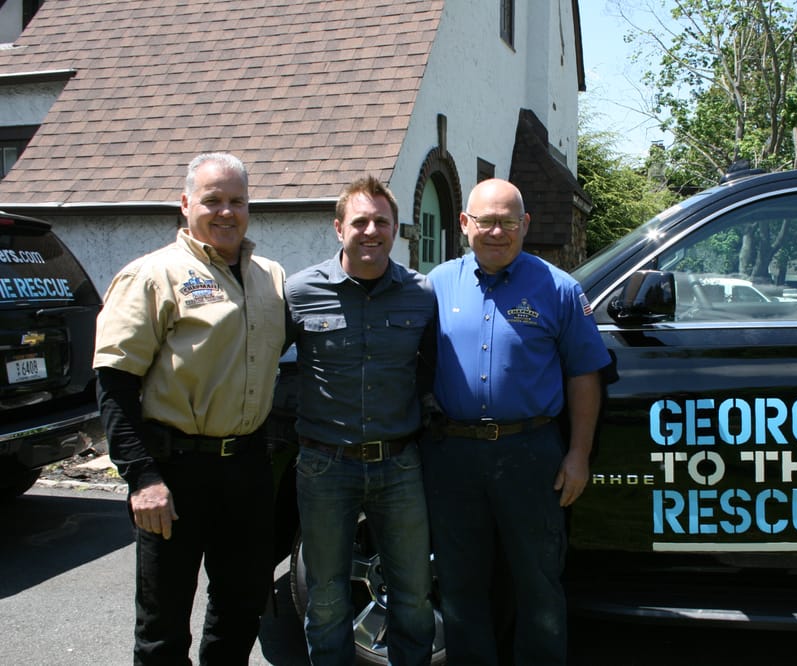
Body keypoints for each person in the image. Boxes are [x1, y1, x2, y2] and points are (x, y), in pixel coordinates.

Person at [93, 152, 286, 664]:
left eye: (237, 201)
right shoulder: (153, 275)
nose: (226, 212)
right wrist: (142, 478)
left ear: (250, 207)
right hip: (174, 473)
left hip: (246, 469)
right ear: (185, 204)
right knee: (163, 624)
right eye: (213, 200)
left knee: (241, 607)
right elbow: (114, 386)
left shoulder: (271, 277)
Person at [422, 178, 611, 665]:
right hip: (453, 456)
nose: (497, 232)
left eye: (508, 221)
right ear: (465, 224)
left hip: (532, 455)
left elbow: (585, 375)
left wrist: (578, 455)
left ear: (525, 225)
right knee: (461, 587)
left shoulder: (561, 289)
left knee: (538, 584)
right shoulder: (436, 286)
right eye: (486, 220)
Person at [285, 175, 436, 666]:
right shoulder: (300, 291)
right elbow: (258, 361)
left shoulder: (420, 294)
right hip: (325, 467)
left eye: (382, 222)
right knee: (326, 600)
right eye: (360, 221)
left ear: (396, 228)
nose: (371, 231)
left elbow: (433, 373)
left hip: (399, 466)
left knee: (413, 595)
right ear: (338, 228)